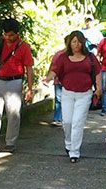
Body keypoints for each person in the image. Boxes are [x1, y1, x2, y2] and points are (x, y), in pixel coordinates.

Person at [44, 31, 102, 163]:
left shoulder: (90, 58)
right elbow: (55, 70)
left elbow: (97, 73)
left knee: (77, 123)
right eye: (74, 41)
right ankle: (68, 143)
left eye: (79, 41)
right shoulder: (63, 57)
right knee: (68, 122)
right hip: (67, 93)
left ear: (83, 43)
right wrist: (47, 79)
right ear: (70, 43)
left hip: (85, 94)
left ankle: (74, 151)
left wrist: (98, 88)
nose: (77, 44)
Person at [0, 19, 34, 158]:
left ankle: (10, 142)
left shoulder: (24, 47)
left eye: (11, 35)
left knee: (13, 114)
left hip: (14, 82)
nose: (8, 37)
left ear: (17, 34)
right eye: (5, 34)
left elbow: (29, 68)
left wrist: (29, 88)